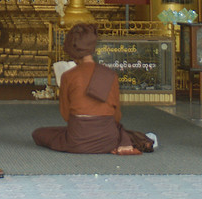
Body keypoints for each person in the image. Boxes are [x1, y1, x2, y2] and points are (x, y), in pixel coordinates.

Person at [32, 23, 155, 154]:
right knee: (122, 131)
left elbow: (66, 114)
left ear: (71, 51)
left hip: (77, 141)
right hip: (109, 140)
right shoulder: (110, 74)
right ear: (93, 47)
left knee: (39, 133)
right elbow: (117, 115)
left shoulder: (68, 75)